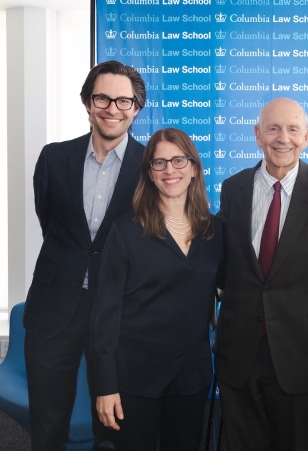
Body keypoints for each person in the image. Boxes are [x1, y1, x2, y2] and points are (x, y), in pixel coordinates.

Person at [215, 97, 308, 451]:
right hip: (239, 358)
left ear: (307, 136)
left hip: (301, 360)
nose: (283, 138)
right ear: (257, 133)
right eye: (273, 128)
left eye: (293, 129)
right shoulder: (233, 188)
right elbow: (223, 266)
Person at [23, 60, 146, 450]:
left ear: (136, 108)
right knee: (47, 424)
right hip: (56, 302)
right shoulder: (54, 158)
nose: (113, 108)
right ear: (87, 103)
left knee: (113, 427)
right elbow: (52, 223)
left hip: (120, 309)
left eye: (123, 100)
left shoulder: (152, 167)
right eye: (103, 98)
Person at [89, 128, 222, 450]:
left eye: (178, 160)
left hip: (191, 375)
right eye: (159, 163)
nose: (169, 170)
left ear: (193, 167)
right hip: (134, 378)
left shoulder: (216, 231)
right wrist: (105, 387)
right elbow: (104, 316)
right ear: (149, 173)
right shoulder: (125, 230)